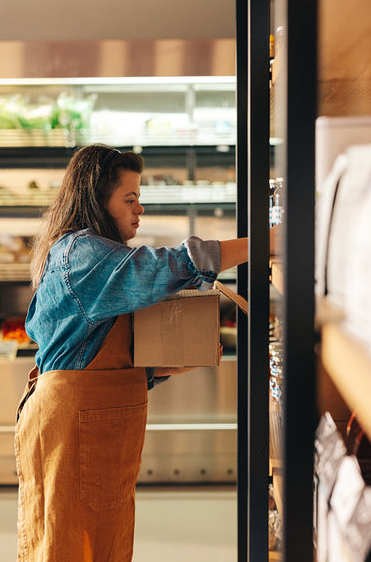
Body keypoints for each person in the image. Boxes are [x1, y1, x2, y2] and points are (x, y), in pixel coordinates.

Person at [15, 144, 248, 562]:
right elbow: (160, 268)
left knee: (101, 546)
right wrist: (257, 243)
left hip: (90, 435)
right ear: (97, 200)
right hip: (69, 433)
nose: (140, 209)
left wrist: (158, 370)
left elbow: (90, 360)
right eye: (130, 198)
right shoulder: (81, 253)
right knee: (66, 549)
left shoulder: (94, 253)